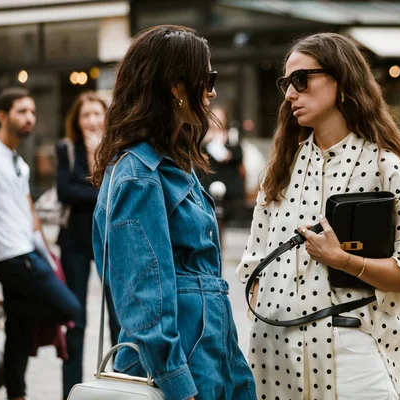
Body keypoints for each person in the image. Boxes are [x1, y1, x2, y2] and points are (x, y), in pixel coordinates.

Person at [236, 32, 400, 400]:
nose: (290, 94)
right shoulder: (279, 169)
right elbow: (253, 265)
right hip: (275, 354)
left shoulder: (383, 167)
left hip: (348, 352)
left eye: (301, 80)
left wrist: (342, 260)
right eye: (286, 83)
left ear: (340, 80)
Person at [90, 25, 256, 400]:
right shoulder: (139, 174)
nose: (212, 91)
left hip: (208, 351)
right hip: (178, 364)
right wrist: (178, 383)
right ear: (176, 87)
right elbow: (142, 294)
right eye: (206, 79)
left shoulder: (172, 165)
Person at [0, 87, 81, 400]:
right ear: (2, 116)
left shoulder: (18, 160)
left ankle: (16, 392)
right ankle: (12, 308)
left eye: (32, 111)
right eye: (21, 111)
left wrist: (46, 253)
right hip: (7, 254)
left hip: (28, 250)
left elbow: (28, 208)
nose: (29, 117)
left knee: (20, 330)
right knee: (69, 308)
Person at [56, 91, 121, 399]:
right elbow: (64, 191)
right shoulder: (67, 149)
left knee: (118, 317)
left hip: (111, 241)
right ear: (76, 120)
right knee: (76, 318)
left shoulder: (117, 150)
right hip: (75, 243)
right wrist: (100, 190)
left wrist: (99, 160)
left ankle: (123, 383)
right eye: (85, 115)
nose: (92, 120)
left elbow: (119, 191)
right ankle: (69, 390)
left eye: (97, 113)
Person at [199, 106, 245, 222]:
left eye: (219, 117)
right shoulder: (202, 138)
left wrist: (228, 152)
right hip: (209, 185)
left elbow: (239, 156)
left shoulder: (232, 136)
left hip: (230, 188)